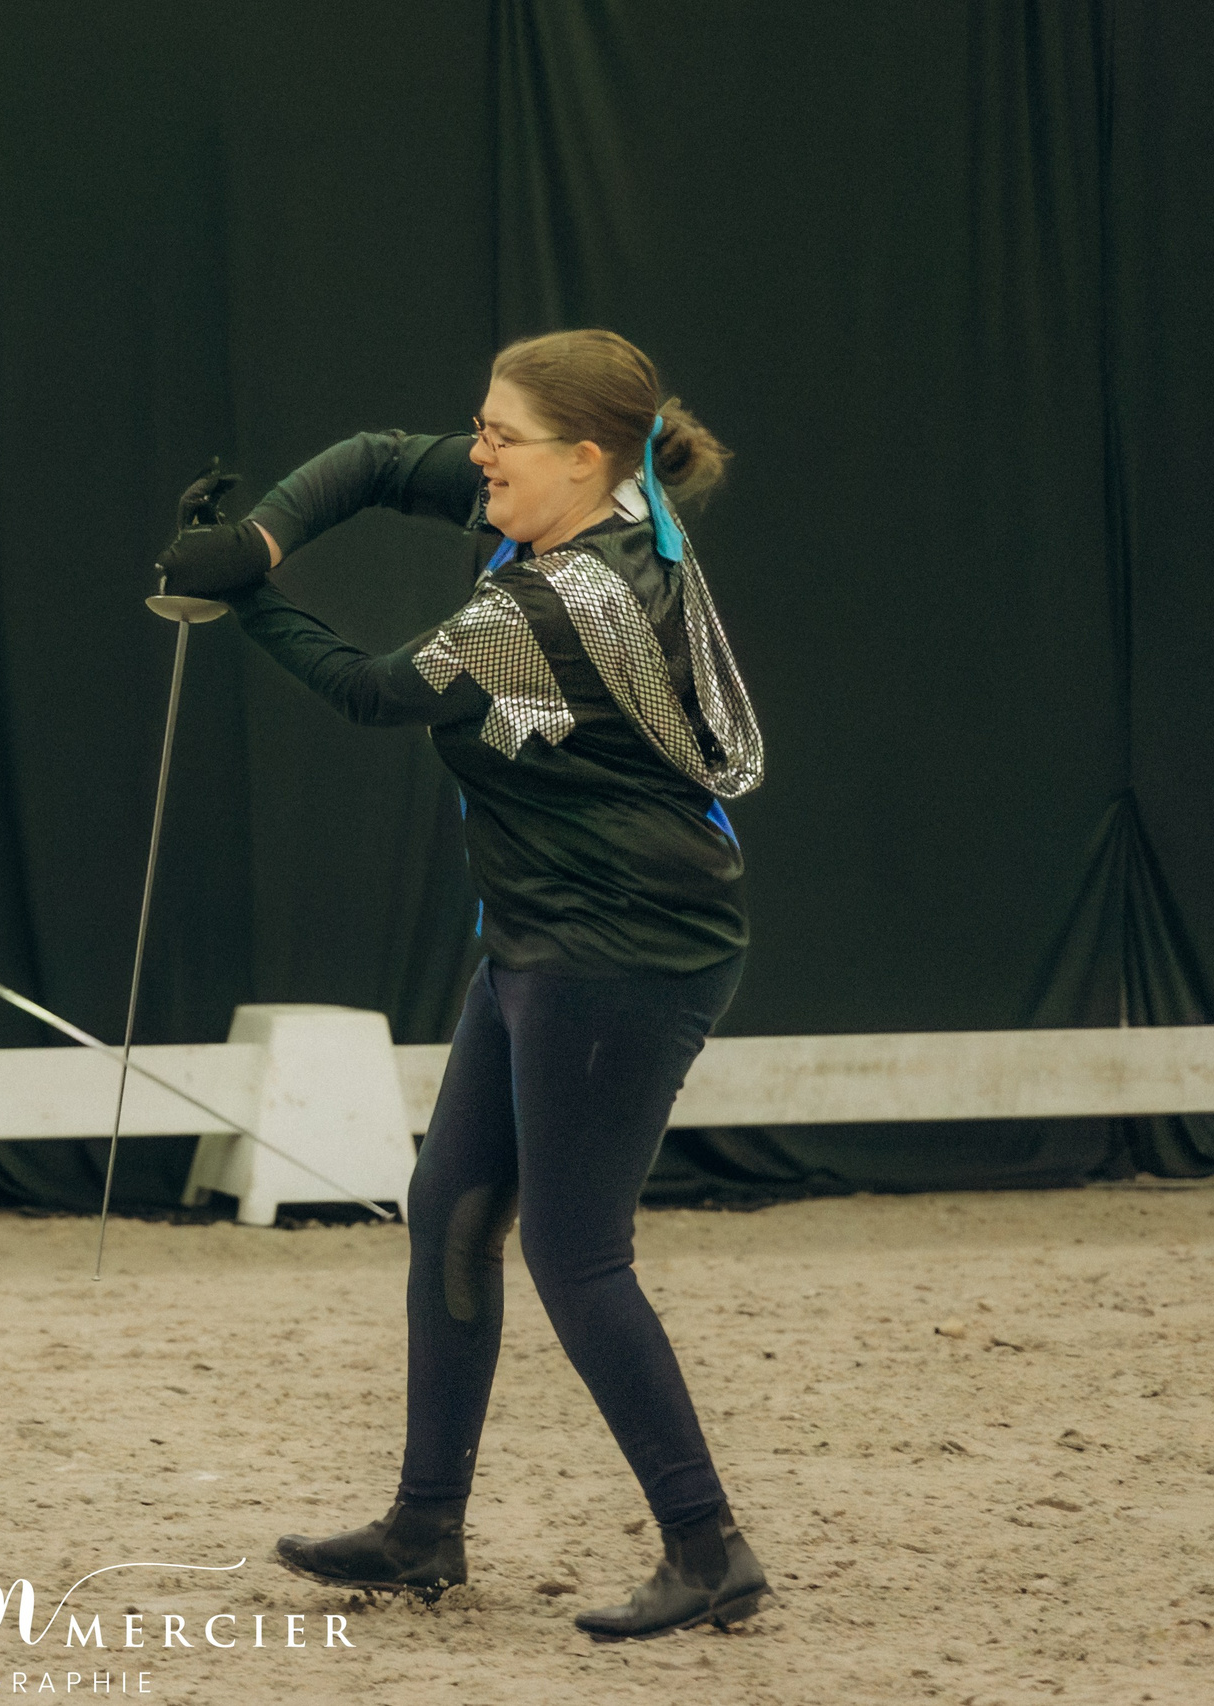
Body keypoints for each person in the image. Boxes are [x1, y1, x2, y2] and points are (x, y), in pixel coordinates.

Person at [155, 329, 769, 1640]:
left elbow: (380, 694)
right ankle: (426, 1524)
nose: (474, 451)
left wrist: (241, 602)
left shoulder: (559, 602)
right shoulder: (576, 497)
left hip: (626, 953)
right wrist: (257, 541)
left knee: (572, 1248)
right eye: (478, 426)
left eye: (501, 435)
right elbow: (377, 463)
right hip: (545, 935)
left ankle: (709, 1545)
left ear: (584, 457)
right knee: (449, 1208)